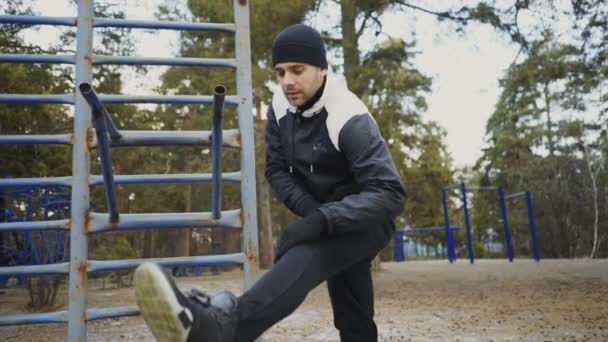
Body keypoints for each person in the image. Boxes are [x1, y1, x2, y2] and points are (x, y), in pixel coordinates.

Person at [134, 23, 406, 342]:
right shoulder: (281, 105)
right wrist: (311, 212)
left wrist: (320, 222)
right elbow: (276, 169)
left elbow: (390, 193)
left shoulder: (348, 116)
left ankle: (224, 328)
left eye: (297, 70)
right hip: (325, 213)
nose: (287, 81)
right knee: (353, 314)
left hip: (367, 218)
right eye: (280, 72)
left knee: (308, 255)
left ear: (321, 68)